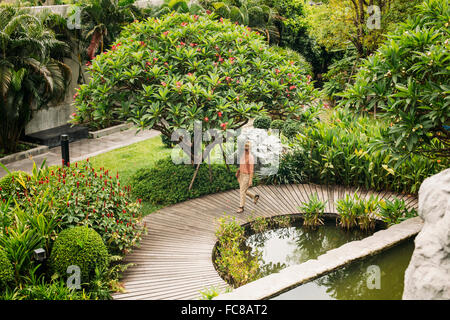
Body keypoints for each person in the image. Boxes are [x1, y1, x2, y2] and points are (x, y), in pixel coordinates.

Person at [236, 141, 259, 213]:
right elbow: (241, 165)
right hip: (241, 175)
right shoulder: (242, 155)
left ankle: (241, 207)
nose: (246, 150)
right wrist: (238, 172)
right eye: (245, 149)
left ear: (250, 149)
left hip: (247, 176)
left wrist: (250, 180)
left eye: (247, 149)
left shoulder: (251, 158)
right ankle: (254, 196)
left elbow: (251, 170)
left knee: (242, 191)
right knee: (243, 190)